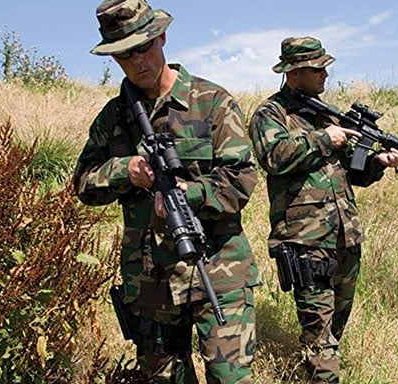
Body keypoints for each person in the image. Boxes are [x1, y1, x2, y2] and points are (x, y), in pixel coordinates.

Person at [73, 1, 259, 382]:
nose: (137, 61)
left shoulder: (212, 103)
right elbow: (82, 183)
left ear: (162, 37)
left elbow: (241, 180)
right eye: (124, 55)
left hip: (217, 270)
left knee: (230, 377)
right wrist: (127, 170)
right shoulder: (113, 119)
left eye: (143, 47)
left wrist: (187, 192)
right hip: (150, 283)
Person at [247, 36, 398, 384]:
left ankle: (315, 368)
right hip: (305, 241)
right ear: (294, 72)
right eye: (317, 69)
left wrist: (380, 161)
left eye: (325, 68)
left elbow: (354, 171)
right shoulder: (270, 114)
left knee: (335, 324)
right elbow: (273, 158)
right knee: (319, 333)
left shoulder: (324, 115)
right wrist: (325, 139)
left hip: (345, 235)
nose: (325, 75)